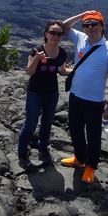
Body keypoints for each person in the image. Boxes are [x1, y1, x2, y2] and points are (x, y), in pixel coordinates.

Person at [60, 10, 108, 184]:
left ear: (103, 26)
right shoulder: (80, 38)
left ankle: (91, 167)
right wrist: (83, 15)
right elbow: (64, 26)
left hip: (94, 101)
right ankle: (79, 159)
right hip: (75, 96)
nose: (90, 27)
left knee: (93, 135)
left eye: (94, 24)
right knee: (75, 129)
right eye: (87, 25)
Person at [18, 20, 68, 167]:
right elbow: (29, 72)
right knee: (30, 125)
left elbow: (62, 71)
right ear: (46, 33)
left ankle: (43, 149)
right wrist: (37, 59)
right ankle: (22, 154)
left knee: (47, 124)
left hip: (52, 94)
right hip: (35, 93)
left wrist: (80, 72)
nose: (55, 36)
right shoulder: (37, 51)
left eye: (59, 34)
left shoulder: (62, 53)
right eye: (52, 32)